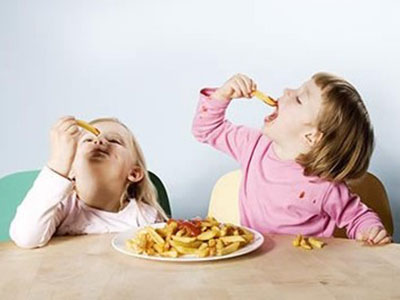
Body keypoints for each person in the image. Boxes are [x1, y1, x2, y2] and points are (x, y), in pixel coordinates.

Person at [192, 73, 391, 245]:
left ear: (311, 136)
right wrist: (222, 95)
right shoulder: (253, 145)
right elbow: (207, 130)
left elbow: (357, 217)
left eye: (298, 99)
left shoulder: (325, 186)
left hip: (306, 273)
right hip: (255, 266)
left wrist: (370, 231)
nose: (287, 90)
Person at [10, 117, 166, 248]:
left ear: (134, 173)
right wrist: (58, 163)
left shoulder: (145, 217)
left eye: (114, 140)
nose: (98, 141)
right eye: (88, 139)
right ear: (70, 169)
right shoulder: (62, 208)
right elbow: (26, 238)